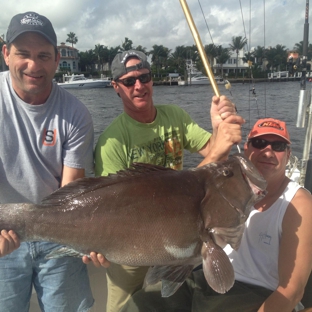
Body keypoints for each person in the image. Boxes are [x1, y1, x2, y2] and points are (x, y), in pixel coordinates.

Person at [92, 49, 244, 312]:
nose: (139, 85)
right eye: (129, 81)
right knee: (122, 307)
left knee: (166, 304)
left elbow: (215, 153)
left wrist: (219, 127)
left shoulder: (175, 116)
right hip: (131, 246)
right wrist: (220, 146)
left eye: (144, 77)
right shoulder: (111, 141)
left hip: (176, 240)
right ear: (116, 87)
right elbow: (113, 207)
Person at [121, 117, 312, 312]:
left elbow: (292, 290)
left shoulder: (298, 204)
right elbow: (182, 193)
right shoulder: (225, 185)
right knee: (139, 304)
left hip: (257, 292)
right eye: (259, 143)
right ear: (246, 148)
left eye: (278, 145)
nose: (268, 151)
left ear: (288, 155)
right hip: (206, 277)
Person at [0, 12, 95, 311]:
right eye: (23, 54)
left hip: (58, 230)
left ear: (56, 59)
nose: (33, 65)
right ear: (5, 53)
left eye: (43, 55)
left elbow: (70, 195)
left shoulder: (76, 113)